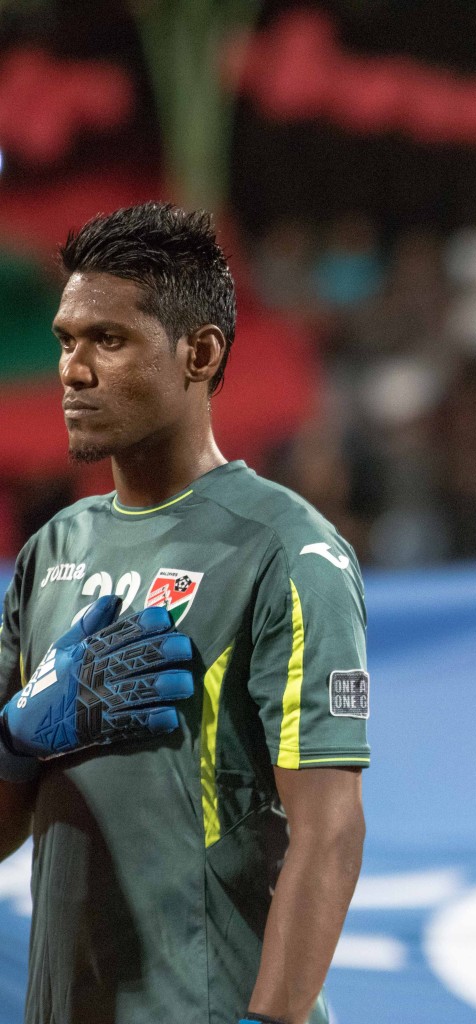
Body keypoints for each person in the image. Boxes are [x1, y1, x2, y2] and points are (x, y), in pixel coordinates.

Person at [0, 202, 369, 1024]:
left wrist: (268, 1021)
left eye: (110, 340)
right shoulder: (49, 549)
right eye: (67, 340)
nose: (73, 369)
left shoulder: (287, 551)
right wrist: (16, 739)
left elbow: (330, 832)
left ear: (199, 353)